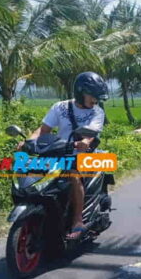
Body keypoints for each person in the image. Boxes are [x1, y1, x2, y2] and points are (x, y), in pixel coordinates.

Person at [27, 72, 108, 240]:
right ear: (80, 92)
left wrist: (85, 142)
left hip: (83, 155)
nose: (95, 100)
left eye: (97, 97)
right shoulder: (60, 107)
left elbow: (92, 133)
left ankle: (77, 221)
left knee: (73, 176)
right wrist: (29, 141)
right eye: (92, 96)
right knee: (30, 170)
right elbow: (43, 131)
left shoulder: (97, 112)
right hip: (58, 151)